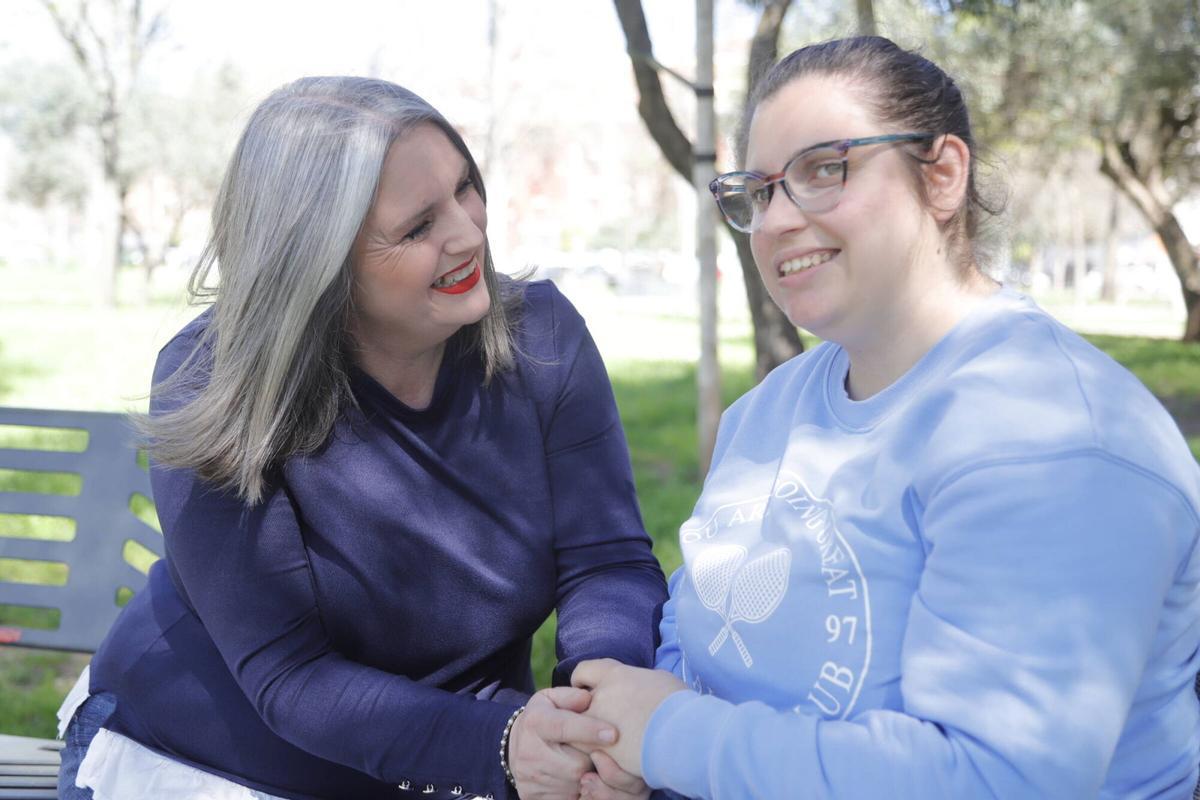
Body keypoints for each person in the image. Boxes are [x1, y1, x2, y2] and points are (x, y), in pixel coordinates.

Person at [568, 35, 1200, 799]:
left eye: (823, 170)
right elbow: (696, 634)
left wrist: (667, 738)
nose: (773, 223)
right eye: (760, 192)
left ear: (941, 177)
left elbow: (992, 779)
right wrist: (619, 752)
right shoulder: (766, 412)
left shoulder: (1056, 441)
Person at [55, 76, 667, 800]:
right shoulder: (216, 384)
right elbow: (291, 677)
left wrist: (595, 715)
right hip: (214, 763)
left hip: (466, 753)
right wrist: (505, 746)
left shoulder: (542, 337)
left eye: (465, 187)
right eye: (418, 227)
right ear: (321, 261)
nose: (469, 232)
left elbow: (606, 560)